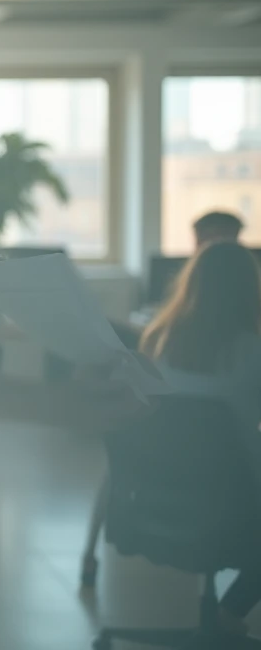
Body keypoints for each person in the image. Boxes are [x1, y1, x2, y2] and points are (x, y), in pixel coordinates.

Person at [138, 240, 261, 632]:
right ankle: (232, 611)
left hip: (157, 497)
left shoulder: (158, 344)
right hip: (237, 501)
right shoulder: (253, 351)